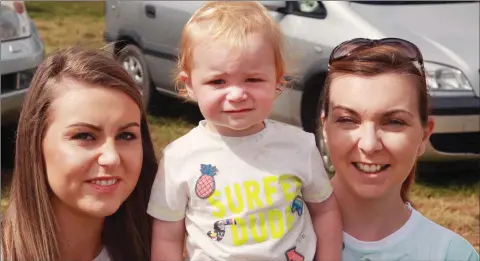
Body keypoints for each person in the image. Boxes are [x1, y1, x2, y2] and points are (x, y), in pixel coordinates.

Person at [147, 2, 342, 261]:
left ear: (277, 80)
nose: (237, 94)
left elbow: (325, 211)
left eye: (253, 79)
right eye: (218, 81)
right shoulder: (178, 159)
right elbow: (167, 235)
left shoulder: (300, 146)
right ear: (190, 85)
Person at [320, 37, 480, 261]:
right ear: (324, 127)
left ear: (424, 135)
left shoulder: (451, 255)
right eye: (347, 119)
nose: (369, 144)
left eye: (394, 122)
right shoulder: (274, 233)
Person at [1, 46, 158, 261]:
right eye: (85, 136)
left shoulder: (167, 248)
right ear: (35, 143)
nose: (111, 157)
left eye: (126, 136)